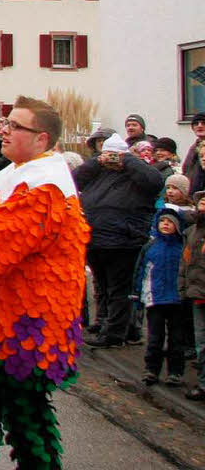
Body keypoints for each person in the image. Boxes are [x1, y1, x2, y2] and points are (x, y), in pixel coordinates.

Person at [0, 96, 89, 469]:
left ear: (42, 139)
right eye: (5, 123)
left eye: (15, 126)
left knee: (26, 419)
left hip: (27, 325)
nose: (4, 130)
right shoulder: (13, 174)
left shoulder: (45, 188)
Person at [75, 133, 164, 347]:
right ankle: (105, 323)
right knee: (102, 286)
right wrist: (97, 161)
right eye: (107, 154)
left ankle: (115, 333)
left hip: (124, 239)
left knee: (119, 289)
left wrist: (128, 160)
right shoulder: (98, 172)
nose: (111, 159)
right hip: (96, 238)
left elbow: (155, 182)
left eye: (115, 155)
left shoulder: (137, 173)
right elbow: (74, 178)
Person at [133, 206, 187, 386]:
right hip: (154, 298)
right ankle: (151, 369)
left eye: (170, 222)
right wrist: (137, 294)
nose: (165, 224)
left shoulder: (182, 247)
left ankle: (175, 371)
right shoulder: (151, 246)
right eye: (163, 221)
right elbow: (141, 270)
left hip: (177, 299)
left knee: (176, 339)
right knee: (155, 337)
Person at [179, 191, 205, 400]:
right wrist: (183, 288)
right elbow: (185, 263)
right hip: (197, 294)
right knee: (201, 343)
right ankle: (203, 384)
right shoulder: (192, 231)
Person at [183, 112, 205, 195]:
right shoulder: (193, 148)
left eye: (204, 123)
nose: (199, 125)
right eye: (196, 123)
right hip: (193, 196)